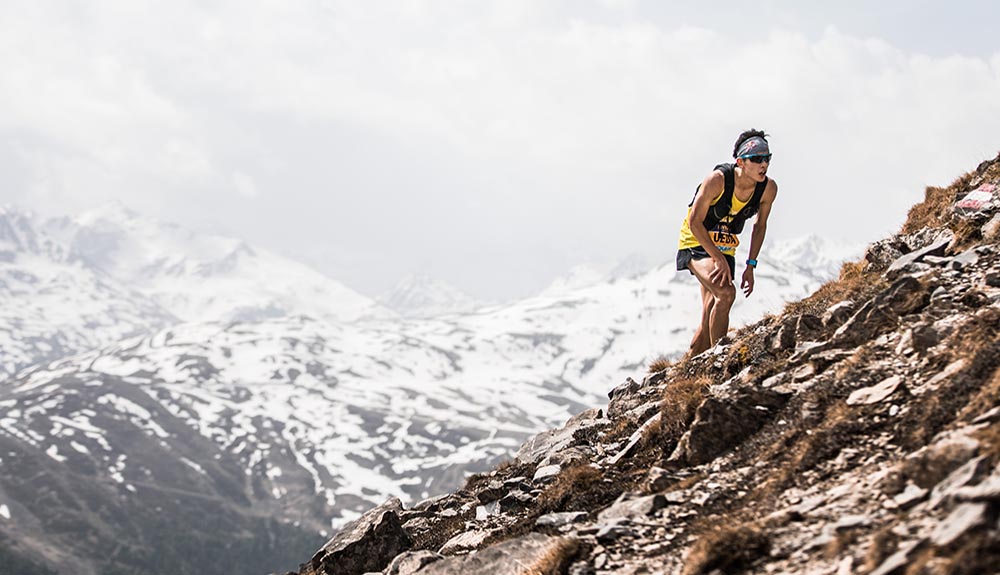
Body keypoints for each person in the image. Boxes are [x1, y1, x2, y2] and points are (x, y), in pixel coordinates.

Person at [676, 129, 778, 356]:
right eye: (757, 159)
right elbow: (694, 222)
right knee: (726, 294)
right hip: (697, 240)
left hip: (725, 245)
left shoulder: (768, 189)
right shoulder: (717, 181)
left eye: (767, 158)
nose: (764, 164)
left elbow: (759, 227)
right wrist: (718, 258)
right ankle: (720, 360)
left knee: (709, 313)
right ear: (740, 161)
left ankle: (689, 374)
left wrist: (751, 265)